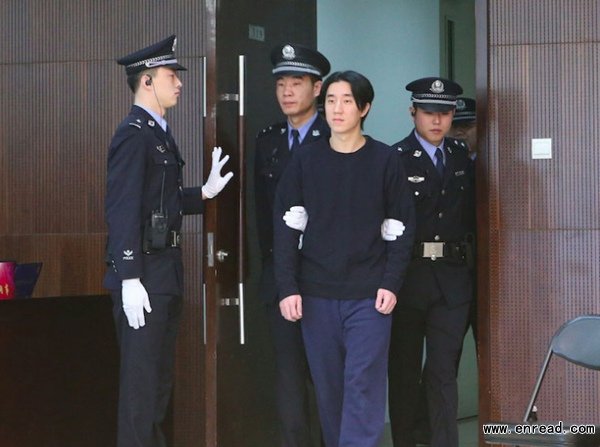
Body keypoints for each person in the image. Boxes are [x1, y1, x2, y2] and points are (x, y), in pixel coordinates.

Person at [274, 70, 415, 447]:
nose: (337, 109)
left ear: (365, 108)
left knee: (362, 385)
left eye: (347, 100)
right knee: (330, 390)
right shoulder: (305, 160)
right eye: (331, 100)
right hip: (316, 295)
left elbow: (402, 227)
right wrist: (287, 287)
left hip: (369, 297)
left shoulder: (385, 160)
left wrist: (391, 282)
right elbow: (285, 228)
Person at [104, 35, 233, 447]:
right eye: (169, 75)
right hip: (143, 274)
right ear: (146, 81)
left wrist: (203, 194)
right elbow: (123, 208)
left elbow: (161, 201)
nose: (178, 83)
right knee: (140, 392)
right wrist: (129, 276)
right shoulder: (134, 134)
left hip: (164, 273)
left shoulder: (159, 133)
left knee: (159, 386)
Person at [387, 77, 476, 447]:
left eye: (444, 112)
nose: (437, 120)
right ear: (413, 113)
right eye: (428, 112)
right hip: (408, 279)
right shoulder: (394, 157)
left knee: (443, 373)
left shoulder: (460, 156)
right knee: (405, 373)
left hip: (452, 280)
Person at [254, 42, 330, 447]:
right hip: (282, 279)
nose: (286, 91)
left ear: (317, 89)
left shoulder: (336, 136)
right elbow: (261, 217)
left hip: (328, 279)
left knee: (325, 374)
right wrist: (271, 276)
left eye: (296, 82)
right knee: (287, 377)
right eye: (281, 83)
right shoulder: (267, 141)